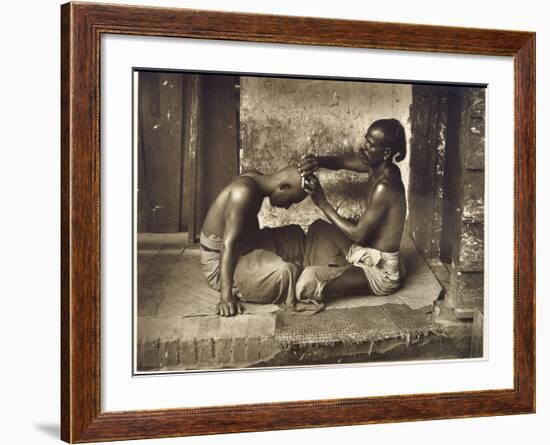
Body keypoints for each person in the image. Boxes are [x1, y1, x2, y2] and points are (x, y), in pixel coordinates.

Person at [296, 118, 407, 302]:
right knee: (319, 228)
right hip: (366, 250)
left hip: (381, 272)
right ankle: (338, 269)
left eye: (370, 145)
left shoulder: (385, 186)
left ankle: (329, 273)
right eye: (366, 140)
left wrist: (322, 203)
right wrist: (318, 161)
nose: (363, 147)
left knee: (308, 283)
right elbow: (342, 162)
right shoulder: (378, 166)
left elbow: (358, 235)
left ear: (386, 152)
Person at [200, 166, 311, 317]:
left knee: (296, 234)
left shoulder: (255, 178)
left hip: (247, 245)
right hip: (221, 264)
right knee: (285, 273)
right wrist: (226, 298)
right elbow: (227, 245)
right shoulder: (243, 192)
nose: (287, 206)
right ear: (283, 187)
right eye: (291, 200)